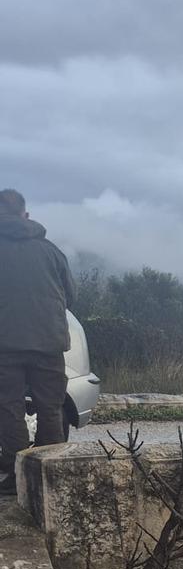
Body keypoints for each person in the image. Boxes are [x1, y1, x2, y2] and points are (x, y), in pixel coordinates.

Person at [0, 188, 75, 496]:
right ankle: (51, 476)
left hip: (5, 345)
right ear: (26, 215)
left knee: (9, 407)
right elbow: (70, 297)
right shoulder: (51, 251)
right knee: (50, 407)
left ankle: (18, 476)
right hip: (49, 342)